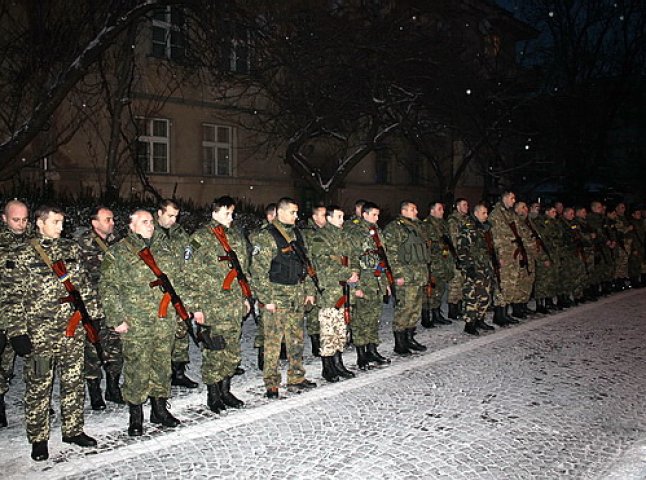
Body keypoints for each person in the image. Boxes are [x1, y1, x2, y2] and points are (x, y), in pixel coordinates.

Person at [5, 205, 98, 461]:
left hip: (72, 327)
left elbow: (84, 285)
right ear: (39, 223)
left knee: (73, 381)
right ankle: (38, 438)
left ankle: (73, 429)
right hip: (39, 333)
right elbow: (10, 297)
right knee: (38, 385)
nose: (60, 227)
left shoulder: (70, 248)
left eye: (62, 222)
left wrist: (94, 315)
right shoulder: (22, 253)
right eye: (55, 222)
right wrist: (17, 332)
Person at [100, 210, 196, 436]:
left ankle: (159, 410)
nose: (150, 225)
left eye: (151, 222)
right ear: (131, 226)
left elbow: (178, 282)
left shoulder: (165, 250)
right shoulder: (118, 253)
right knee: (137, 369)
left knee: (162, 366)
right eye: (144, 222)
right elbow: (108, 288)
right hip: (136, 322)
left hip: (164, 320)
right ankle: (136, 416)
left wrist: (186, 309)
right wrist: (116, 319)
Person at [184, 196, 250, 412]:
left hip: (233, 305)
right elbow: (189, 275)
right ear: (214, 213)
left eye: (232, 213)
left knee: (232, 351)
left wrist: (246, 299)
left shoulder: (236, 238)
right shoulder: (199, 239)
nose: (230, 218)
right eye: (226, 213)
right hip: (211, 306)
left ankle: (225, 390)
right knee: (214, 351)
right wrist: (196, 308)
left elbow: (243, 272)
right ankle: (213, 396)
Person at [250, 198, 317, 398]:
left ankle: (296, 376)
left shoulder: (297, 234)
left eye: (297, 212)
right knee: (273, 342)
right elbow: (258, 271)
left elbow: (306, 264)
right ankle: (271, 382)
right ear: (280, 212)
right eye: (293, 212)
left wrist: (310, 291)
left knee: (296, 339)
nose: (296, 216)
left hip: (296, 293)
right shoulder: (266, 236)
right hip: (276, 295)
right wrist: (266, 298)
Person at [76, 206, 123, 410]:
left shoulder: (117, 241)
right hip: (92, 305)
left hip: (114, 305)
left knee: (115, 347)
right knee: (93, 349)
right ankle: (95, 392)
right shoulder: (82, 244)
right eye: (107, 219)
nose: (112, 223)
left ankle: (113, 388)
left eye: (112, 219)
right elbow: (77, 278)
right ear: (95, 223)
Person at [308, 205, 359, 382]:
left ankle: (338, 363)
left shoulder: (344, 236)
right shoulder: (320, 238)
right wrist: (347, 273)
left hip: (344, 291)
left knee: (340, 330)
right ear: (329, 218)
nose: (342, 220)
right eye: (338, 216)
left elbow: (353, 257)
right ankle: (327, 367)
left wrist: (354, 272)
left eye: (342, 216)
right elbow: (323, 264)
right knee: (329, 331)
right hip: (329, 291)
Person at [154, 200, 198, 389]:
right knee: (161, 337)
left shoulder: (180, 235)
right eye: (170, 216)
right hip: (159, 294)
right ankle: (159, 378)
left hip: (180, 291)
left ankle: (178, 372)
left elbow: (188, 261)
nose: (173, 220)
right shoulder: (149, 232)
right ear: (159, 213)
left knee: (182, 334)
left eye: (176, 216)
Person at [345, 202, 391, 368]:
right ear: (364, 214)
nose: (377, 218)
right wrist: (355, 287)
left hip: (377, 280)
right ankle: (361, 354)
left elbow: (383, 257)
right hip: (364, 280)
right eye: (374, 215)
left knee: (374, 317)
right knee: (360, 318)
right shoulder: (355, 232)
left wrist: (385, 283)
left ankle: (372, 349)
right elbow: (351, 259)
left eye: (378, 215)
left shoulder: (377, 231)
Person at [0, 200, 32, 428]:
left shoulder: (35, 241)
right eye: (15, 219)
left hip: (32, 316)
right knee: (3, 365)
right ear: (4, 218)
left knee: (36, 364)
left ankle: (36, 403)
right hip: (4, 317)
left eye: (24, 219)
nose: (21, 224)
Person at [457, 203, 495, 335]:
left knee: (484, 295)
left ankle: (480, 319)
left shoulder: (484, 228)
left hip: (484, 266)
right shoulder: (469, 227)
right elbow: (462, 248)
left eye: (487, 213)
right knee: (472, 296)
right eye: (484, 213)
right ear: (477, 213)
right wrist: (468, 266)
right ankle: (470, 323)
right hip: (473, 267)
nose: (486, 215)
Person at [249, 203, 277, 371]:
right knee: (264, 324)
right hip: (264, 284)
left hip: (278, 284)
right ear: (270, 217)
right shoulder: (261, 236)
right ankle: (262, 355)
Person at [488, 191, 522, 326]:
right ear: (505, 198)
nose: (514, 201)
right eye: (512, 198)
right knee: (501, 285)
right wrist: (498, 256)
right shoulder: (496, 214)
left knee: (511, 285)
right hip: (504, 254)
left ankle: (505, 313)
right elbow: (494, 238)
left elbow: (518, 233)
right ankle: (498, 315)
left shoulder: (510, 214)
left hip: (513, 253)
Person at [421, 201, 455, 328]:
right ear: (432, 211)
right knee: (429, 291)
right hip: (432, 263)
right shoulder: (426, 225)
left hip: (443, 262)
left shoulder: (443, 224)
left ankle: (436, 315)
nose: (442, 211)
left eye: (442, 209)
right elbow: (426, 245)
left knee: (440, 289)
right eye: (439, 209)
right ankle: (426, 317)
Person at [301, 205, 327, 357]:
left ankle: (323, 339)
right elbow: (308, 259)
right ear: (315, 217)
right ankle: (315, 342)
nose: (326, 218)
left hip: (325, 277)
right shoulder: (308, 234)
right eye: (323, 215)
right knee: (313, 313)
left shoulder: (326, 233)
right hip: (312, 277)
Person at [446, 198, 469, 319]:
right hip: (456, 256)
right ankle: (452, 310)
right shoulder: (453, 220)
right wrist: (458, 256)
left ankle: (459, 307)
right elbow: (454, 240)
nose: (467, 207)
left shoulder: (466, 220)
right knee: (455, 283)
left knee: (462, 283)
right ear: (458, 207)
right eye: (464, 205)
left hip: (465, 256)